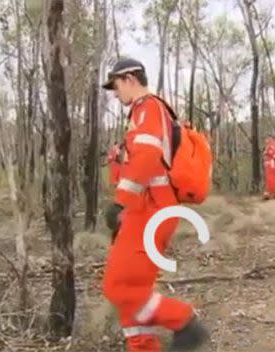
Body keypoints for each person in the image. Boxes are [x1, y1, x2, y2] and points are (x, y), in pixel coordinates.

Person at [101, 58, 209, 352]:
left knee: (118, 287)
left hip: (151, 212)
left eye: (116, 85)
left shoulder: (148, 107)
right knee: (133, 291)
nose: (115, 93)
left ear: (130, 79)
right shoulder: (143, 112)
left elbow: (147, 155)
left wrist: (121, 202)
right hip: (147, 212)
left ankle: (185, 322)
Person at [263, 136, 275, 200]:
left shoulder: (271, 146)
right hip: (271, 164)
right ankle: (271, 191)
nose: (265, 140)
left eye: (267, 139)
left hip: (271, 164)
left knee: (271, 178)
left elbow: (274, 155)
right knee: (270, 178)